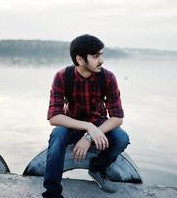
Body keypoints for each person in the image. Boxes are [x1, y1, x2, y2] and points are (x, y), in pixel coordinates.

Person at [42, 34, 130, 198]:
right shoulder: (62, 76)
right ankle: (52, 193)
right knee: (57, 136)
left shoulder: (108, 77)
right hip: (72, 123)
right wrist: (89, 128)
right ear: (80, 60)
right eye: (96, 56)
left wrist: (90, 135)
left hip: (99, 123)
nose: (101, 60)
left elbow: (117, 117)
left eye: (101, 55)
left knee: (122, 138)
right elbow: (54, 117)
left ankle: (97, 169)